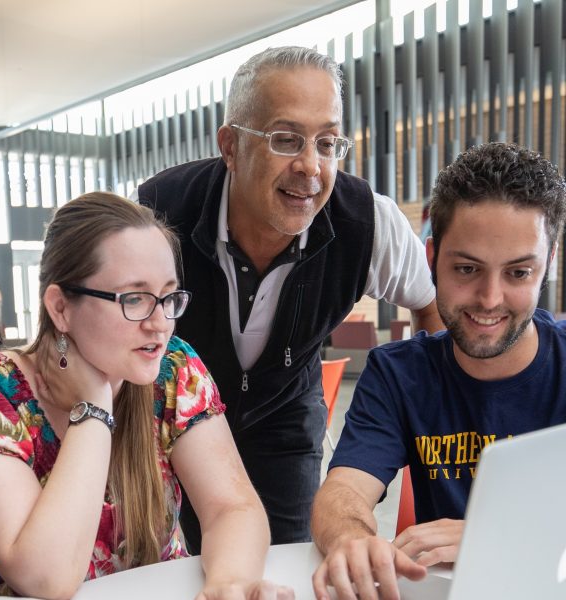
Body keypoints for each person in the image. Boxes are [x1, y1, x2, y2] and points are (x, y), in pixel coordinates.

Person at [135, 45, 444, 549]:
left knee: (284, 561)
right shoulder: (155, 214)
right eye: (286, 139)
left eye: (327, 143)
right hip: (164, 423)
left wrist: (441, 425)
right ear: (230, 146)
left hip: (284, 420)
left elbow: (431, 304)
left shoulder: (368, 222)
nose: (310, 166)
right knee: (167, 564)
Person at [0, 192, 293, 599]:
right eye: (135, 299)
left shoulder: (172, 368)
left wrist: (228, 585)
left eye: (169, 296)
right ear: (61, 308)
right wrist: (93, 408)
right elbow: (45, 578)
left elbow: (233, 508)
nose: (160, 324)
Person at [310, 142, 566, 600]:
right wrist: (351, 540)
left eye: (518, 273)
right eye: (467, 269)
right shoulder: (399, 372)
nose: (489, 299)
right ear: (431, 259)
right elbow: (344, 490)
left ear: (547, 264)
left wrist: (496, 539)